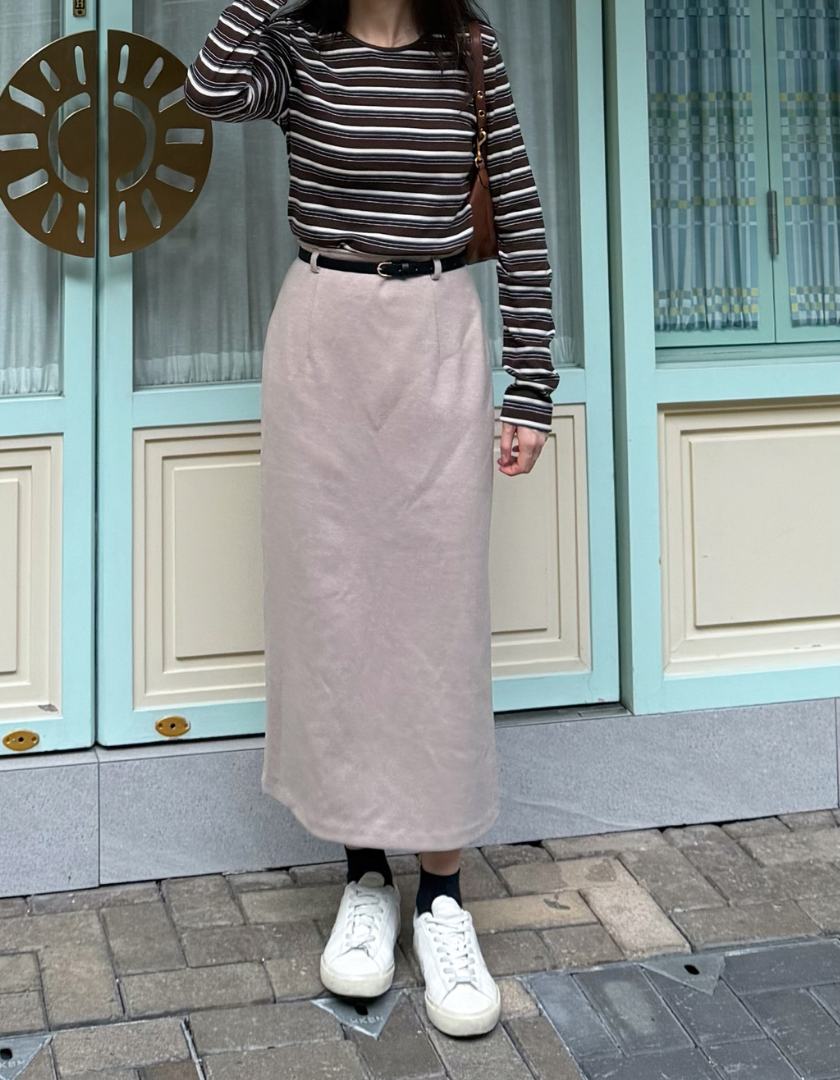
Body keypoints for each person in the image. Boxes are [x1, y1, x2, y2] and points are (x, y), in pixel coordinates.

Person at [184, 0, 557, 1038]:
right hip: (322, 340)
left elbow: (519, 217)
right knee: (334, 615)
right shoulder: (300, 49)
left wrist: (533, 388)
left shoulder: (468, 46)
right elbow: (206, 90)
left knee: (436, 624)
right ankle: (364, 878)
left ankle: (441, 896)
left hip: (438, 338)